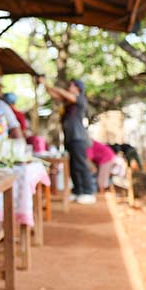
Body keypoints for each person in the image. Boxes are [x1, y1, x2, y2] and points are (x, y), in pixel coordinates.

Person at [41, 77, 96, 205]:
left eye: (71, 85)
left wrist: (56, 87)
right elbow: (54, 94)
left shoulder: (80, 99)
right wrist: (44, 84)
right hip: (70, 138)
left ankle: (88, 192)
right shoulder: (68, 102)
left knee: (81, 165)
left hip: (79, 138)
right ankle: (78, 191)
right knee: (73, 166)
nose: (68, 87)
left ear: (78, 88)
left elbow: (62, 93)